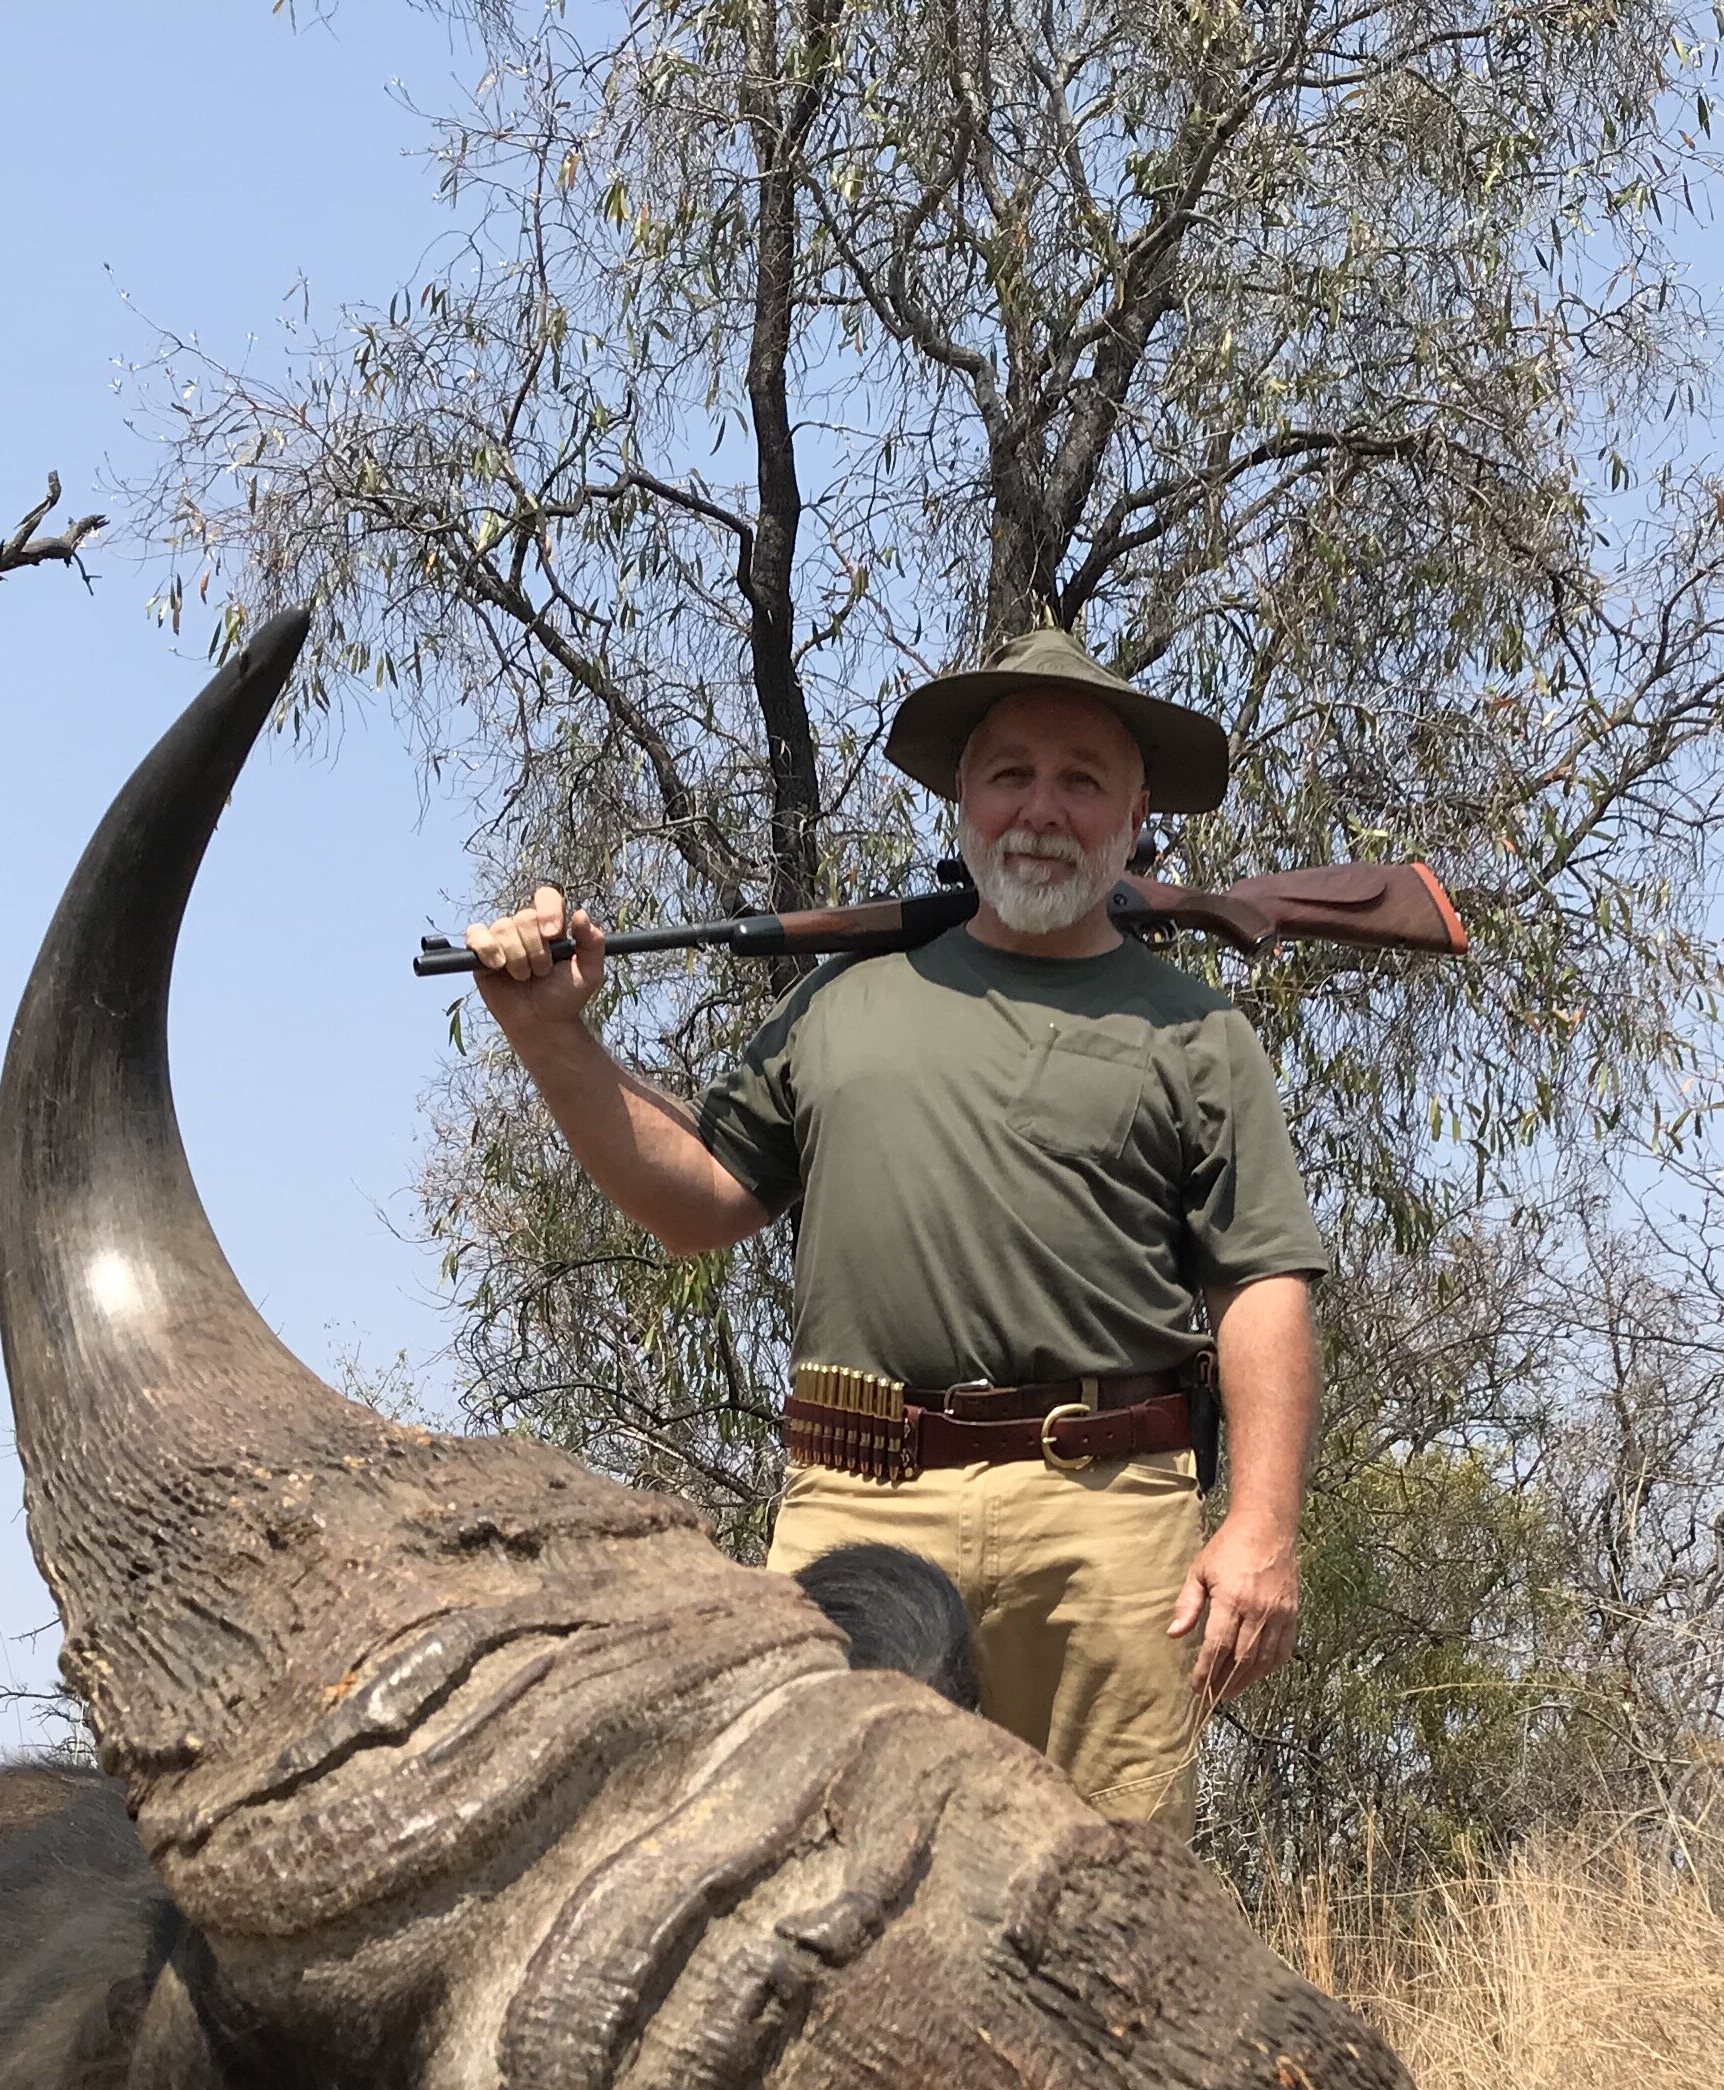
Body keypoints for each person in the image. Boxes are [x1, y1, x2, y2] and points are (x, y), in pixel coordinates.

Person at [461, 625, 1326, 1828]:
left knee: (1110, 1918)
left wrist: (1262, 1528)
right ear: (962, 800)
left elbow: (1264, 1285)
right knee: (813, 1875)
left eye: (1082, 780)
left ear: (1134, 824)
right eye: (1009, 772)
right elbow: (698, 1202)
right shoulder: (839, 1003)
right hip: (860, 1502)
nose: (1041, 807)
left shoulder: (1199, 1031)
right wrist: (553, 1040)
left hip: (1109, 1525)